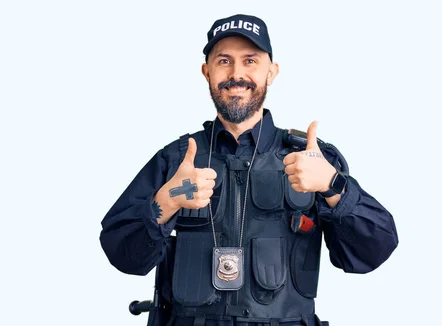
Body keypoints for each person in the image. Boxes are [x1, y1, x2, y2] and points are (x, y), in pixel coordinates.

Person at [100, 13, 398, 326]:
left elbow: (374, 252)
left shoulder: (311, 160)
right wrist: (170, 199)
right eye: (224, 61)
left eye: (251, 61)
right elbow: (122, 255)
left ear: (272, 72)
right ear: (207, 72)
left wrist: (332, 186)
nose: (237, 73)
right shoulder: (176, 160)